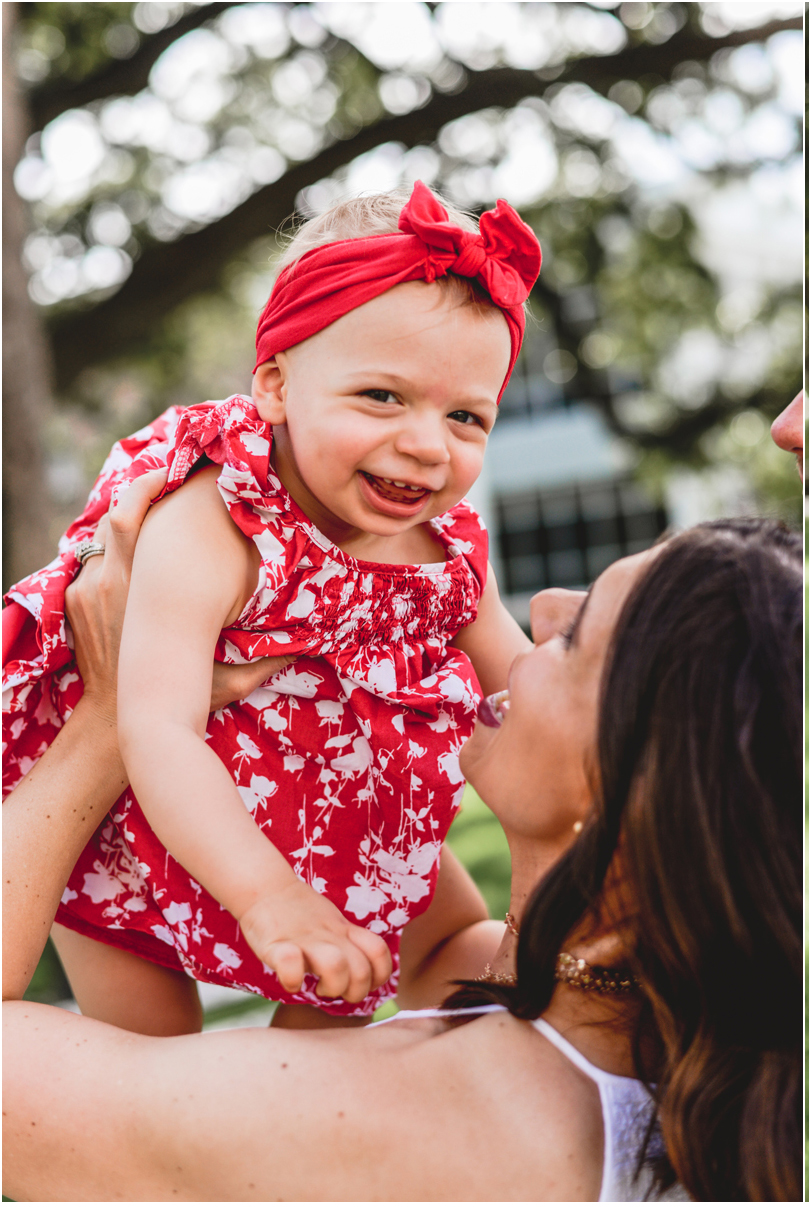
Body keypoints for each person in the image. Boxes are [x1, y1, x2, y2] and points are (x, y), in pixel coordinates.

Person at [2, 472, 804, 1201]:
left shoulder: (406, 1119)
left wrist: (104, 722)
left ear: (635, 798)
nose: (542, 606)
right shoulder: (666, 1052)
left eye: (577, 635)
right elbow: (431, 939)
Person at [1, 181, 540, 1032]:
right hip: (144, 825)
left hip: (339, 825)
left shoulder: (445, 548)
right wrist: (269, 896)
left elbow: (524, 687)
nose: (427, 443)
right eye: (382, 397)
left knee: (406, 978)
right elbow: (156, 727)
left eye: (466, 416)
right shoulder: (220, 516)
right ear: (277, 385)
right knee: (150, 1075)